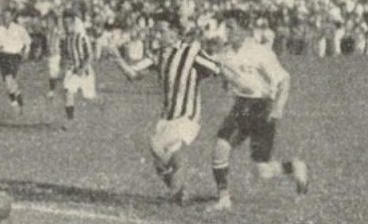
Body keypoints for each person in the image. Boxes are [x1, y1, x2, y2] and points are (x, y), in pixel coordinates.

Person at [108, 19, 232, 204]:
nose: (157, 36)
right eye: (156, 32)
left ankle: (176, 193)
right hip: (167, 116)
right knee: (159, 162)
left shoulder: (191, 52)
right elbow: (133, 74)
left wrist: (233, 83)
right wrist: (117, 58)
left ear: (174, 32)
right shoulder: (158, 55)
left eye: (161, 32)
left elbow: (216, 68)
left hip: (187, 116)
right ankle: (179, 192)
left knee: (167, 151)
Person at [208, 15, 308, 212]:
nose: (227, 32)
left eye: (231, 27)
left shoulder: (260, 52)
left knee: (262, 170)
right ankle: (224, 198)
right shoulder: (225, 54)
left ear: (245, 29)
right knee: (221, 147)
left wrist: (279, 106)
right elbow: (224, 74)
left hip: (262, 106)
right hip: (241, 106)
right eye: (225, 28)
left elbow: (284, 80)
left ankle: (295, 167)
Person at [60, 12, 98, 130]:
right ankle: (69, 120)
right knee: (68, 91)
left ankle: (103, 104)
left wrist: (83, 68)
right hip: (73, 71)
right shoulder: (67, 38)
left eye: (69, 23)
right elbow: (66, 54)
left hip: (85, 72)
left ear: (74, 23)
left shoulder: (81, 37)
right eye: (64, 23)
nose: (66, 26)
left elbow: (90, 55)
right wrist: (63, 62)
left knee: (90, 98)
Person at [0, 10, 31, 113]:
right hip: (3, 56)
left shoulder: (19, 29)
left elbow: (28, 41)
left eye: (8, 16)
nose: (6, 19)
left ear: (12, 17)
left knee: (10, 78)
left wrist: (25, 52)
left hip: (15, 56)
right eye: (4, 16)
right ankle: (17, 100)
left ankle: (16, 104)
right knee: (8, 82)